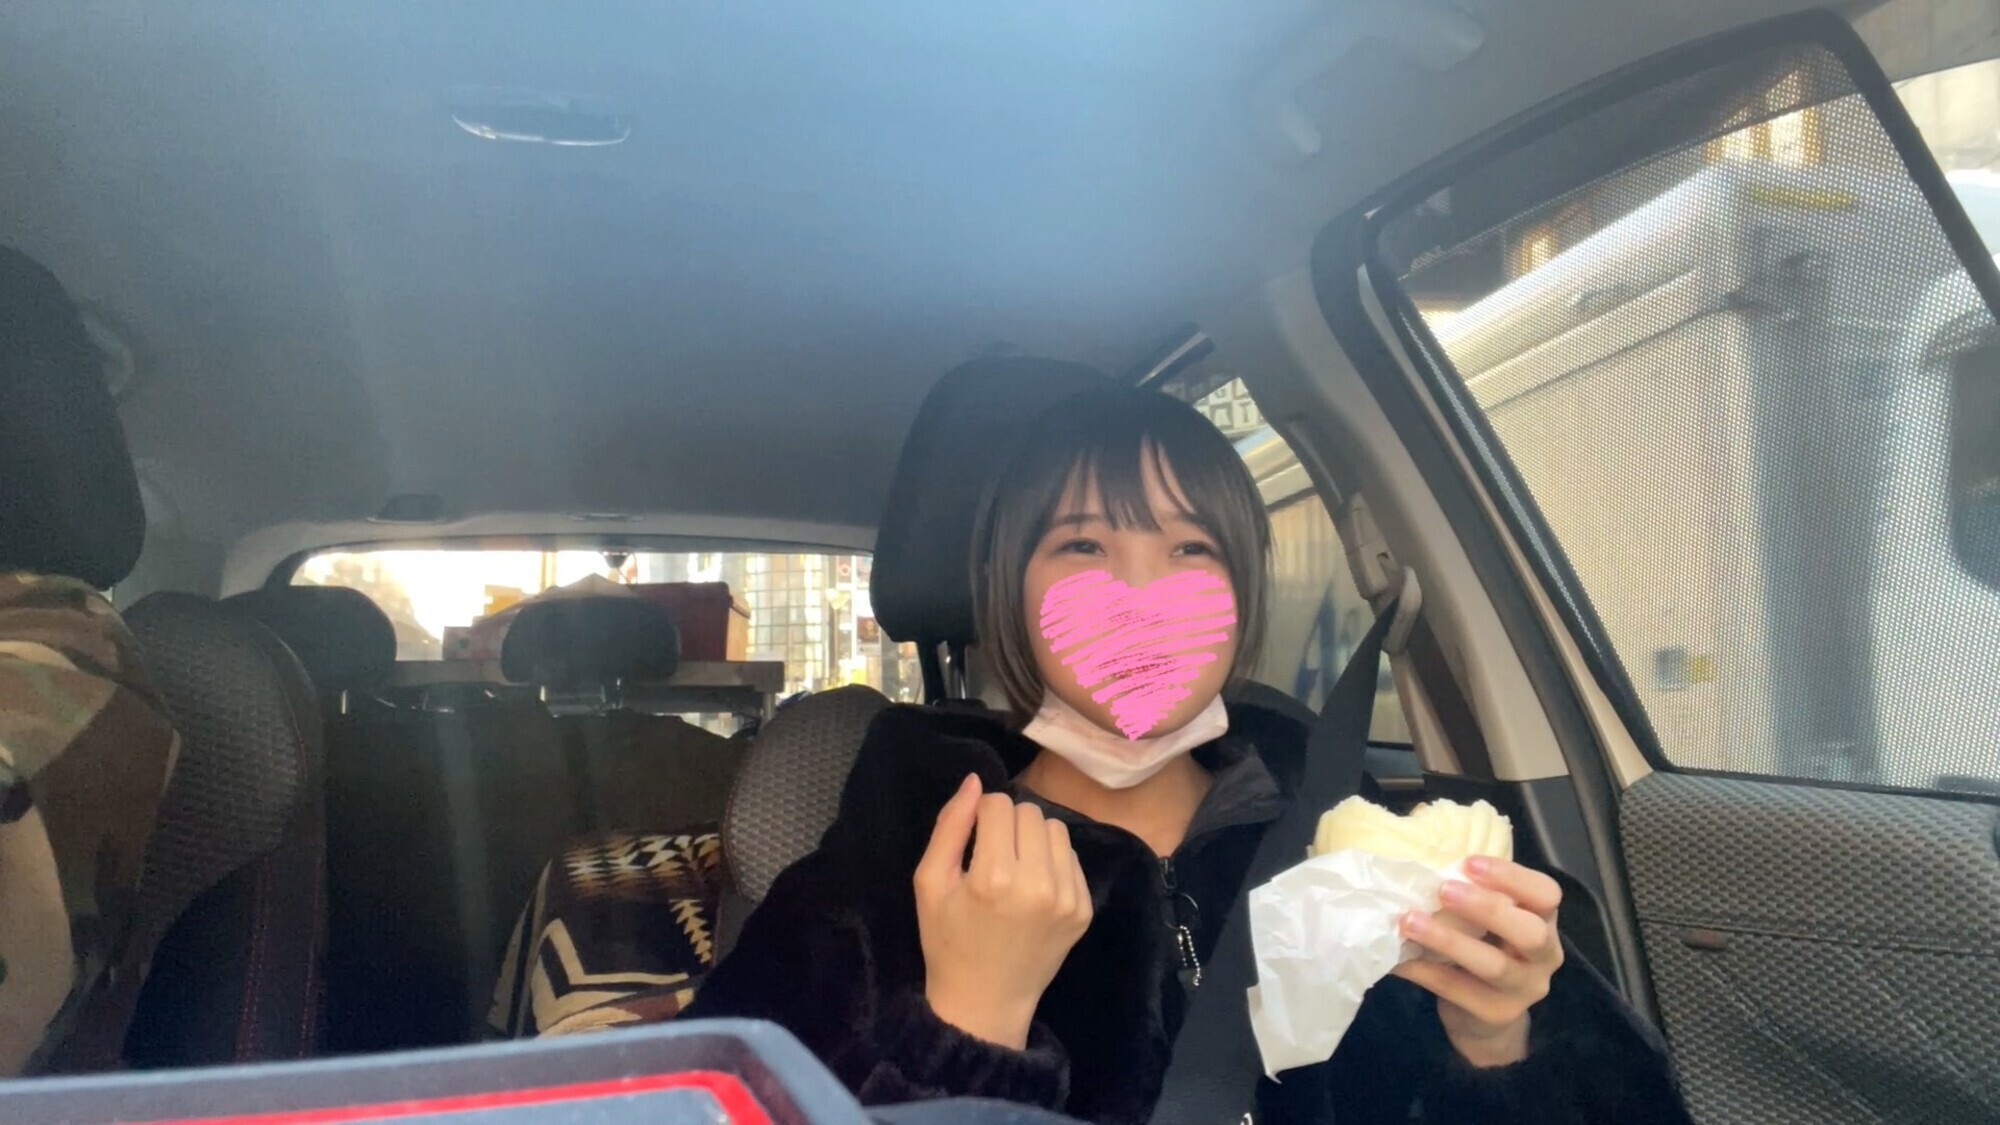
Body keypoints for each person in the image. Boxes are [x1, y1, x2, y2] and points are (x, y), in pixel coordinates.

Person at [684, 385, 1688, 1122]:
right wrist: (969, 1025)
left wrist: (1498, 1042)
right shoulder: (880, 869)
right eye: (1083, 547)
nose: (1140, 599)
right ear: (1009, 590)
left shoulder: (1363, 851)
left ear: (1242, 589)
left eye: (1190, 550)